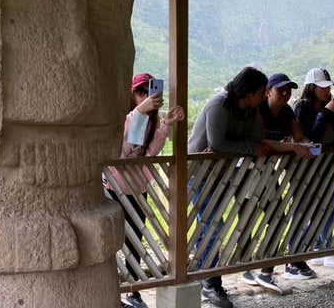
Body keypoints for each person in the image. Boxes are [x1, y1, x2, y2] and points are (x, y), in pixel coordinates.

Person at [188, 67, 273, 308]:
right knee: (212, 224)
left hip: (222, 173)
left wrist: (239, 146)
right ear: (249, 92)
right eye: (262, 92)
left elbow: (255, 139)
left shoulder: (250, 110)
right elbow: (217, 143)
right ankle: (211, 282)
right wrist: (248, 148)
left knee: (211, 225)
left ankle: (204, 275)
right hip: (200, 172)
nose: (265, 96)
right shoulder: (219, 105)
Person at [106, 73, 185, 308]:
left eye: (149, 91)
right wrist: (140, 112)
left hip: (137, 187)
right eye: (140, 91)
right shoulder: (125, 118)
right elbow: (123, 152)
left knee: (136, 242)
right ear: (131, 95)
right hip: (116, 187)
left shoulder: (149, 121)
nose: (145, 96)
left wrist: (165, 125)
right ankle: (113, 292)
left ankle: (134, 291)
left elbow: (149, 153)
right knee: (113, 241)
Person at [242, 73, 314, 291]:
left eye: (288, 90)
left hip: (268, 172)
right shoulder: (258, 110)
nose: (285, 94)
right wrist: (292, 147)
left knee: (277, 217)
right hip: (246, 171)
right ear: (267, 92)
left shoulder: (287, 111)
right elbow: (260, 141)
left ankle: (266, 270)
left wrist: (309, 144)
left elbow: (298, 136)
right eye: (280, 90)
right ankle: (246, 265)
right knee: (247, 219)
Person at [290, 68, 334, 268]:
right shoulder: (302, 107)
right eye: (322, 87)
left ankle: (324, 246)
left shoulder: (331, 108)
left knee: (329, 207)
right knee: (304, 209)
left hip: (327, 166)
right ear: (311, 87)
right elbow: (310, 137)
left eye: (327, 87)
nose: (326, 91)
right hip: (305, 168)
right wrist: (326, 113)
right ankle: (297, 254)